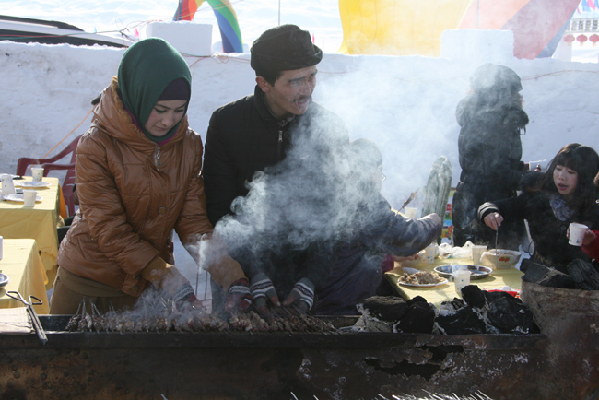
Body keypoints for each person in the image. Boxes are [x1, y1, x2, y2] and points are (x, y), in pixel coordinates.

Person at [50, 38, 246, 314]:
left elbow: (192, 222)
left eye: (179, 110)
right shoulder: (97, 145)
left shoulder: (187, 145)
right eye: (160, 109)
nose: (168, 121)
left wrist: (231, 275)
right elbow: (109, 228)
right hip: (89, 284)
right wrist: (165, 275)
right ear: (139, 97)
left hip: (147, 289)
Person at [202, 24, 349, 314]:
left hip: (302, 281)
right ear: (263, 82)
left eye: (312, 77)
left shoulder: (329, 128)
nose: (306, 90)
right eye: (295, 82)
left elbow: (334, 215)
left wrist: (311, 281)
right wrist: (251, 274)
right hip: (240, 278)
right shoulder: (227, 124)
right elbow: (219, 211)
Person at [314, 139, 443, 315]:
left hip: (324, 301)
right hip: (340, 308)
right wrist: (435, 220)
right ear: (373, 173)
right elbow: (408, 236)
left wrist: (388, 256)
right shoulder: (364, 201)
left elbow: (350, 253)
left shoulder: (338, 193)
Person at [478, 144, 599, 274]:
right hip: (538, 275)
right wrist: (489, 212)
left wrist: (591, 241)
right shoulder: (538, 198)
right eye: (558, 169)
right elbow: (495, 206)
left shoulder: (594, 209)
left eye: (571, 172)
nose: (561, 176)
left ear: (585, 177)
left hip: (580, 281)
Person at [452, 64, 530, 250]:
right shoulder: (494, 122)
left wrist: (519, 169)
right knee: (490, 271)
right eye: (512, 92)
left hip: (470, 199)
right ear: (499, 94)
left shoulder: (477, 117)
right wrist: (531, 179)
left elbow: (488, 164)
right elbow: (497, 173)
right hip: (488, 205)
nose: (518, 97)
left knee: (468, 270)